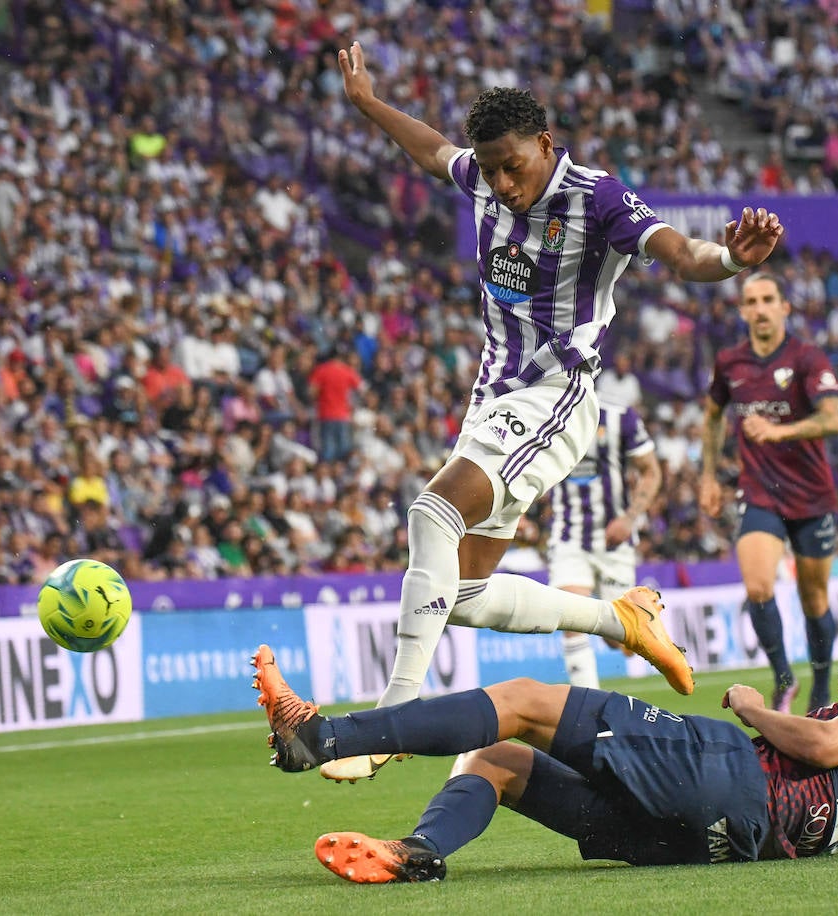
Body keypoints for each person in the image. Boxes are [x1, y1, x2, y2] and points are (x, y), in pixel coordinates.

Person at [324, 41, 785, 781]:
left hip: (558, 395)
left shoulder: (596, 197)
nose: (503, 183)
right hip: (493, 397)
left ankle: (391, 719)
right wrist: (369, 104)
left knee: (431, 513)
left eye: (515, 165)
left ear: (545, 142)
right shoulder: (480, 173)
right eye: (492, 168)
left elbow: (680, 252)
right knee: (463, 595)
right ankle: (620, 619)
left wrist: (731, 260)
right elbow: (434, 150)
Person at [251, 619, 838, 882]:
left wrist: (754, 707)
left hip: (729, 782)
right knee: (496, 759)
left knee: (528, 700)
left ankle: (322, 735)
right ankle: (418, 854)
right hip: (722, 844)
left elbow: (819, 744)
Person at [699, 273, 838, 713]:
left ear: (785, 306)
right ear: (742, 310)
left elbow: (837, 418)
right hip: (760, 491)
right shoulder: (730, 362)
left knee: (813, 597)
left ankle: (822, 686)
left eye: (768, 299)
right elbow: (711, 415)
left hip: (811, 495)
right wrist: (708, 475)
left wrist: (779, 429)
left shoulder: (807, 358)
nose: (760, 308)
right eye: (751, 301)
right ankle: (784, 678)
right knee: (759, 585)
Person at [547, 402, 662, 688]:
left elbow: (651, 470)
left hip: (615, 541)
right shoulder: (545, 412)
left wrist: (630, 518)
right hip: (568, 536)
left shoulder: (619, 416)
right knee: (571, 619)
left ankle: (643, 626)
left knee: (619, 640)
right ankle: (587, 713)